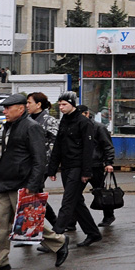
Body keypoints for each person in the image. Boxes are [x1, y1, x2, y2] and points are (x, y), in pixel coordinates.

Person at [0, 93, 69, 270]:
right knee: (0, 223)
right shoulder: (9, 126)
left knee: (27, 221)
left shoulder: (31, 127)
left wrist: (33, 185)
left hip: (21, 182)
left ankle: (59, 241)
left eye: (8, 108)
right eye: (4, 108)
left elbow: (39, 159)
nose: (4, 111)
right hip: (6, 181)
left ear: (20, 108)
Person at [49, 92, 103, 247]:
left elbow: (88, 149)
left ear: (72, 104)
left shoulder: (83, 122)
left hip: (78, 167)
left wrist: (87, 172)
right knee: (77, 202)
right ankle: (93, 233)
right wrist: (52, 169)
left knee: (68, 201)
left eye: (64, 104)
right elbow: (58, 146)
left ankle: (54, 237)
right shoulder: (64, 121)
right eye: (59, 105)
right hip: (66, 166)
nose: (61, 107)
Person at [25, 92, 62, 231]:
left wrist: (51, 164)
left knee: (35, 194)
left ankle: (55, 226)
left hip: (41, 164)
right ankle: (52, 225)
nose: (27, 105)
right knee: (33, 196)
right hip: (28, 163)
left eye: (29, 102)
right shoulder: (26, 119)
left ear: (38, 104)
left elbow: (56, 143)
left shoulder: (49, 120)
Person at [79, 105, 117, 227]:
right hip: (81, 165)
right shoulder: (78, 127)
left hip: (96, 165)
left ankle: (109, 215)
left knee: (101, 192)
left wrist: (109, 163)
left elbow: (107, 146)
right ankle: (71, 221)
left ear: (86, 114)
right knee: (74, 194)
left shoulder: (98, 127)